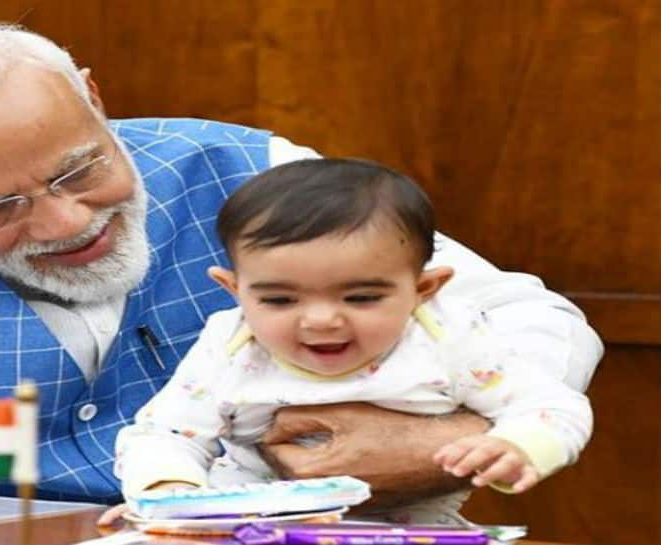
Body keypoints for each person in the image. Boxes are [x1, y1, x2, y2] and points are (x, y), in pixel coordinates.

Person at [0, 16, 602, 504]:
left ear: (96, 101)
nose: (68, 221)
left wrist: (451, 435)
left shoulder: (246, 169)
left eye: (80, 166)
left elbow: (536, 320)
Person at [107, 158, 592, 524]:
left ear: (424, 290)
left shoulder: (447, 338)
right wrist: (170, 488)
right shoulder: (231, 346)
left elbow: (553, 405)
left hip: (409, 528)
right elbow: (164, 433)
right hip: (250, 522)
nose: (320, 321)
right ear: (234, 290)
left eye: (361, 297)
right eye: (279, 300)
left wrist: (518, 444)